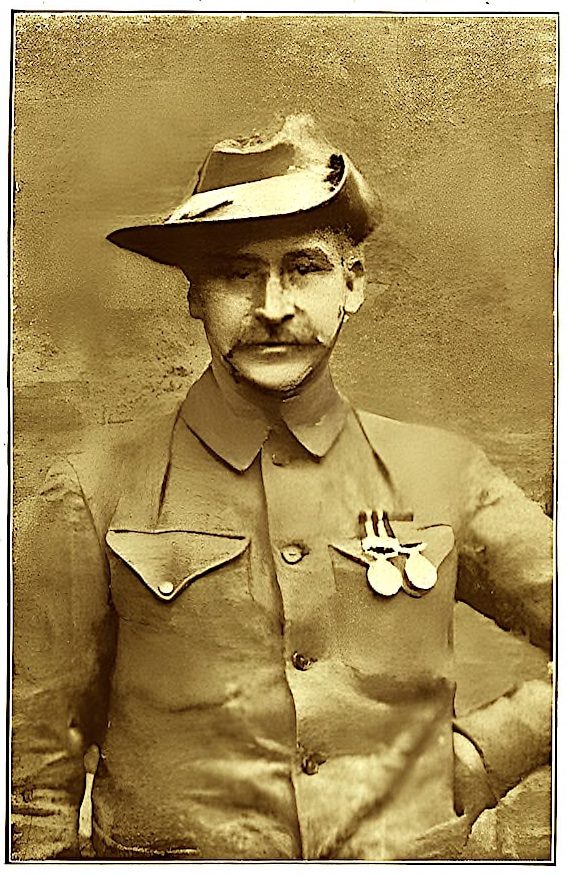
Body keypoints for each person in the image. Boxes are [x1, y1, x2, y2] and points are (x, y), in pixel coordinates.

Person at [12, 114, 552, 861]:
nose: (271, 305)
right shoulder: (90, 488)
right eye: (236, 272)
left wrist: (482, 755)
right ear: (194, 295)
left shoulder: (444, 471)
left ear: (350, 285)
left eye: (302, 267)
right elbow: (33, 773)